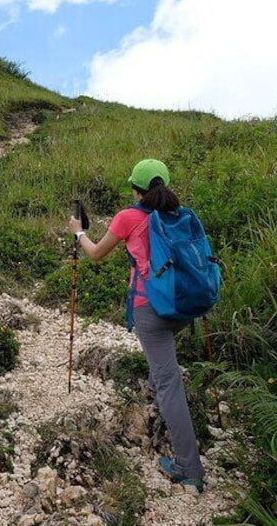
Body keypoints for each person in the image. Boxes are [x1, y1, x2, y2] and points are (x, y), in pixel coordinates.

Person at [67, 158, 205, 492]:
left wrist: (79, 232)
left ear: (136, 188)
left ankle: (189, 468)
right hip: (184, 307)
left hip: (150, 309)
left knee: (168, 380)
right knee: (162, 372)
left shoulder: (129, 217)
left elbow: (96, 253)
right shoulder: (180, 215)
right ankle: (160, 409)